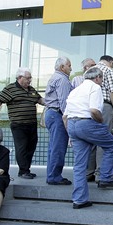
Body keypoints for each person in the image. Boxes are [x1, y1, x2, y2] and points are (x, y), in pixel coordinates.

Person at [63, 67, 113, 210]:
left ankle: (79, 200)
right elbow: (94, 110)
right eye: (102, 79)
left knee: (79, 165)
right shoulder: (95, 88)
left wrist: (71, 134)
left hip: (72, 124)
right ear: (97, 78)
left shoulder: (74, 91)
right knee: (112, 144)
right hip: (87, 123)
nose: (102, 82)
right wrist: (101, 122)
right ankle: (105, 178)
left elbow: (65, 117)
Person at [0, 67, 45, 179]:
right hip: (18, 125)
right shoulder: (10, 89)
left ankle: (27, 169)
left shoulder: (31, 89)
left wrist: (53, 102)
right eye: (28, 78)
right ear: (20, 78)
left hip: (31, 124)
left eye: (30, 78)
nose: (30, 80)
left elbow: (40, 100)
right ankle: (23, 171)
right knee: (22, 147)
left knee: (31, 147)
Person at [87, 55, 113, 182]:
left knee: (91, 140)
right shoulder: (109, 70)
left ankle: (88, 172)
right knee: (104, 139)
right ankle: (101, 173)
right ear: (111, 62)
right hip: (104, 106)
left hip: (89, 107)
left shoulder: (89, 71)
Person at [44, 57, 73, 185]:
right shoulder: (62, 80)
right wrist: (67, 119)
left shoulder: (54, 77)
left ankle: (52, 174)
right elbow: (64, 101)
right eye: (69, 65)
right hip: (58, 115)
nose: (71, 68)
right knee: (58, 147)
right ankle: (54, 176)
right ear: (62, 67)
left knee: (53, 147)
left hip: (51, 114)